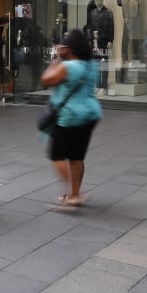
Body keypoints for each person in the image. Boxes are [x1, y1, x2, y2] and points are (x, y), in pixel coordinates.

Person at [40, 29, 102, 209]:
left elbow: (46, 80)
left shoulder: (68, 67)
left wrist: (57, 59)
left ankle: (73, 194)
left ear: (70, 49)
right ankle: (74, 193)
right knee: (76, 157)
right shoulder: (90, 65)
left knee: (57, 155)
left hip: (69, 117)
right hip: (89, 114)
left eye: (64, 46)